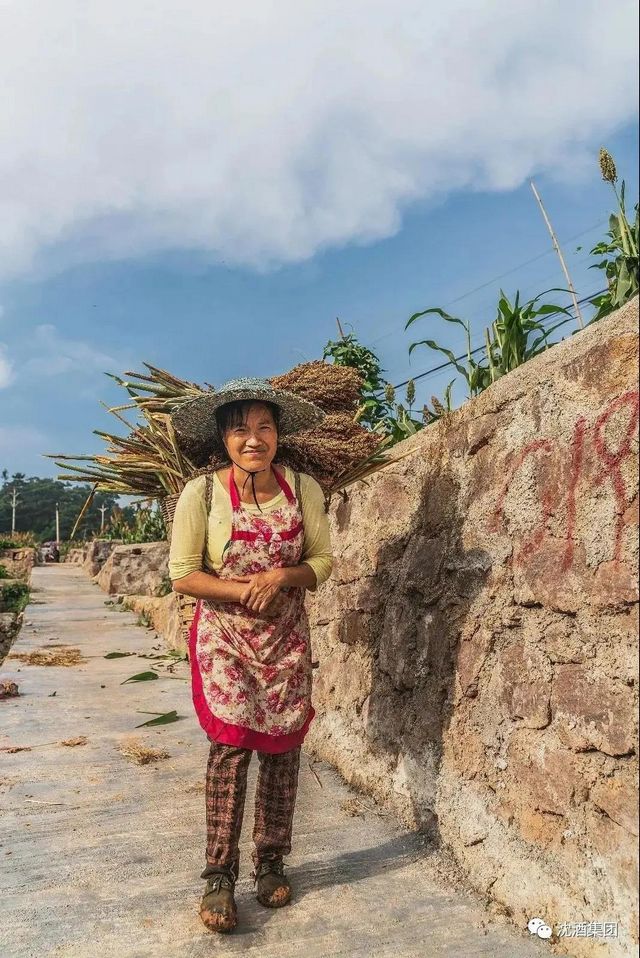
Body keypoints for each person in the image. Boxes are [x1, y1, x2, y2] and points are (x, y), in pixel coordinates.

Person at [168, 378, 333, 934]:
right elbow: (183, 574)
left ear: (279, 434)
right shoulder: (203, 495)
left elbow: (323, 560)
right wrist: (241, 590)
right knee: (231, 749)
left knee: (283, 750)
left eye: (264, 426)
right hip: (225, 637)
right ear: (224, 437)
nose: (254, 438)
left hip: (285, 637)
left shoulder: (303, 488)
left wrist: (283, 575)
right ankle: (219, 875)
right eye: (241, 428)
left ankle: (270, 863)